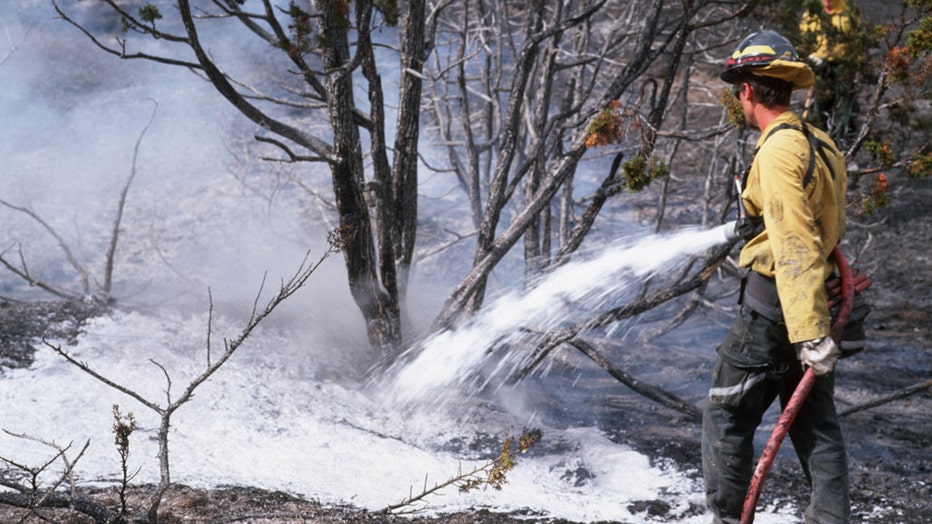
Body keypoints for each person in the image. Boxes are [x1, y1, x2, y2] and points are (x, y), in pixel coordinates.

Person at [703, 30, 850, 523]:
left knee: (727, 415)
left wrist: (807, 333)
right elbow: (820, 226)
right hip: (814, 305)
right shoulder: (821, 144)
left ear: (748, 90)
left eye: (737, 90)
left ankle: (727, 518)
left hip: (775, 312)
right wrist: (817, 328)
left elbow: (794, 243)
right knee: (816, 425)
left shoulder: (778, 151)